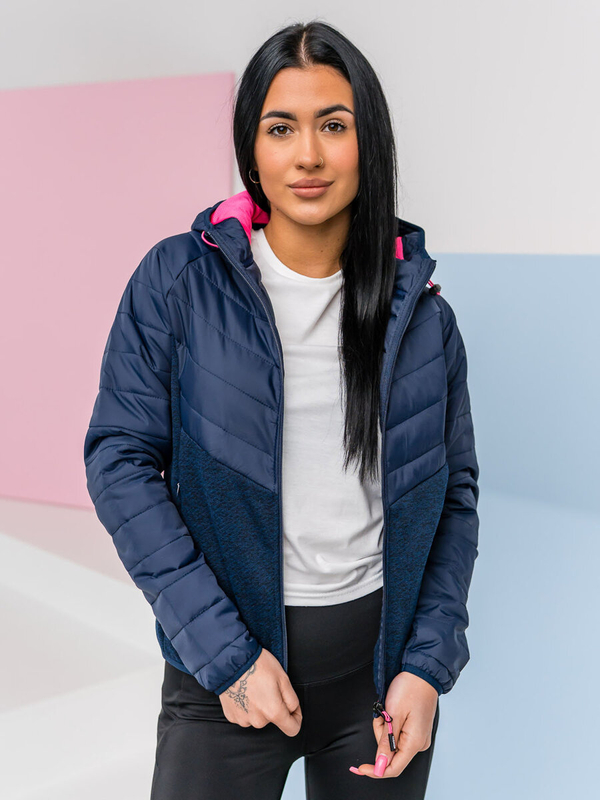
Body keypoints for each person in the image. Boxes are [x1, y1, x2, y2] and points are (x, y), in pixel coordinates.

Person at [83, 19, 480, 800]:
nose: (307, 156)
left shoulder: (424, 320)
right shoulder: (179, 283)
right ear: (252, 148)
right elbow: (119, 463)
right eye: (280, 128)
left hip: (379, 684)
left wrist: (426, 667)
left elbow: (455, 499)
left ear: (369, 143)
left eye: (333, 125)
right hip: (224, 679)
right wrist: (226, 657)